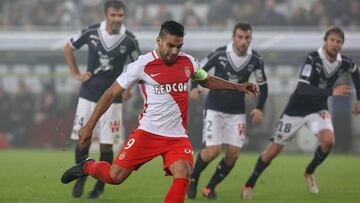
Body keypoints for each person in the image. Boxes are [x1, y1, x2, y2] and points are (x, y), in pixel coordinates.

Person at [61, 20, 259, 203]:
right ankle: (87, 166)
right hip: (147, 133)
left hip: (177, 137)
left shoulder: (189, 62)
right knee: (115, 177)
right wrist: (89, 125)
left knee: (183, 173)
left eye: (179, 46)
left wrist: (238, 86)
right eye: (170, 45)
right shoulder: (141, 65)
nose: (175, 51)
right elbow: (110, 93)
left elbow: (206, 79)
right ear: (159, 40)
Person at [241, 26, 360, 199]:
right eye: (332, 40)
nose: (335, 44)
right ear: (325, 41)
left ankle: (309, 172)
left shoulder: (344, 62)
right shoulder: (312, 59)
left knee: (328, 141)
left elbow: (356, 73)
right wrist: (331, 92)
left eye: (339, 41)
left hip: (318, 109)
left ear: (342, 44)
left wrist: (358, 99)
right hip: (295, 110)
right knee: (272, 152)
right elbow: (303, 88)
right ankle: (249, 184)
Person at [64, 0, 140, 199]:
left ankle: (99, 189)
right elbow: (68, 47)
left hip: (112, 101)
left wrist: (129, 88)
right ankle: (82, 175)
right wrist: (76, 73)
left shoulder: (129, 39)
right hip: (88, 96)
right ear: (105, 15)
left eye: (120, 16)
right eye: (113, 15)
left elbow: (138, 67)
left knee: (107, 145)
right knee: (83, 139)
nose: (117, 19)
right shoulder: (90, 32)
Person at [186, 22, 268, 200]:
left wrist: (259, 108)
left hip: (237, 112)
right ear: (233, 37)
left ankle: (209, 188)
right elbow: (198, 71)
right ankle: (193, 178)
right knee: (212, 151)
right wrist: (193, 87)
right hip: (215, 108)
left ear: (250, 39)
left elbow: (263, 85)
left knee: (233, 154)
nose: (243, 41)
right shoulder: (220, 53)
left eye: (247, 38)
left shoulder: (256, 60)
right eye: (240, 37)